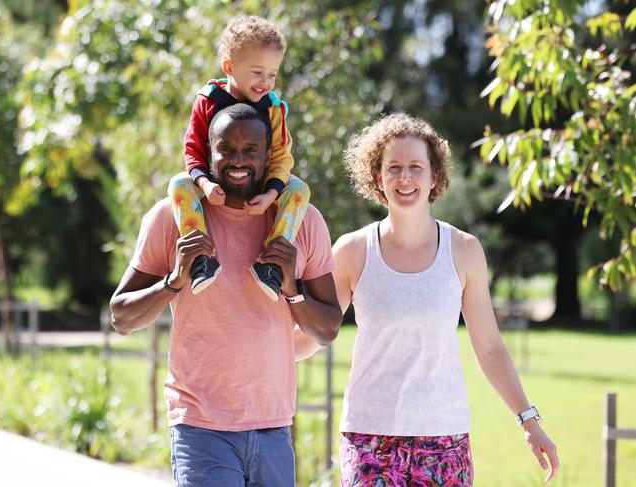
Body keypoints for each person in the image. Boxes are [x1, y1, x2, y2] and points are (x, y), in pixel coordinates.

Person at [110, 103, 342, 487]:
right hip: (200, 426)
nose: (238, 160)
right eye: (226, 149)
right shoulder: (173, 217)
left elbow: (328, 329)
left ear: (269, 156)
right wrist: (174, 280)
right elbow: (121, 317)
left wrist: (292, 289)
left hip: (274, 426)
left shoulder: (304, 221)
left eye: (251, 150)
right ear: (208, 152)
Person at [331, 113, 559, 485]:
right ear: (377, 177)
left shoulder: (464, 251)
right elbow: (317, 331)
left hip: (444, 438)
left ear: (434, 175)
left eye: (416, 167)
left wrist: (528, 421)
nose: (405, 177)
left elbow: (489, 347)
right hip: (368, 438)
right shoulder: (352, 251)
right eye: (394, 167)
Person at [169, 15, 309, 300]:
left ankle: (271, 264)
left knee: (299, 190)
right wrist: (205, 184)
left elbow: (281, 156)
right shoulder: (208, 100)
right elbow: (193, 148)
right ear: (229, 67)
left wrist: (272, 193)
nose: (266, 82)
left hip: (262, 184)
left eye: (273, 74)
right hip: (214, 182)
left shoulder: (273, 109)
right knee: (178, 185)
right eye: (258, 73)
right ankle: (201, 260)